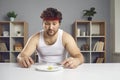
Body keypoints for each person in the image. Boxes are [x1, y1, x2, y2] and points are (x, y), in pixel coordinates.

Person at [17, 7, 84, 69]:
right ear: (42, 24)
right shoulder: (35, 38)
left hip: (61, 70)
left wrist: (77, 60)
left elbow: (79, 56)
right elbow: (21, 55)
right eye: (47, 24)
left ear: (59, 24)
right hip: (42, 70)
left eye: (54, 24)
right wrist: (22, 58)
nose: (51, 27)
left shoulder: (66, 37)